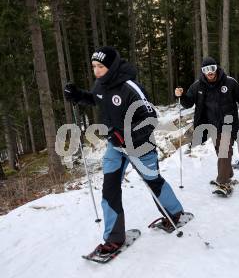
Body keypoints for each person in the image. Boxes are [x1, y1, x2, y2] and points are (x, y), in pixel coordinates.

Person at [64, 46, 184, 254]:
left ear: (111, 66)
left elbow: (150, 119)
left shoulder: (130, 88)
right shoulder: (101, 85)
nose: (97, 71)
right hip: (115, 147)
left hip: (140, 146)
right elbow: (95, 98)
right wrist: (78, 96)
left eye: (101, 67)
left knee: (152, 180)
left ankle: (174, 213)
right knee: (109, 189)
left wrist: (128, 135)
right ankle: (113, 238)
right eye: (94, 67)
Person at [174, 57, 239, 193]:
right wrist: (181, 96)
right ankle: (227, 174)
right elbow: (188, 103)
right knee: (221, 152)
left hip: (228, 124)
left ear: (216, 68)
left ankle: (223, 182)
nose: (209, 72)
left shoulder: (229, 82)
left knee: (224, 151)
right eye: (206, 70)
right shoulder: (198, 86)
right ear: (203, 71)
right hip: (211, 125)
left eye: (212, 68)